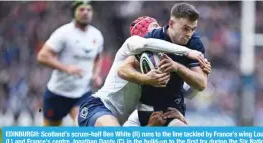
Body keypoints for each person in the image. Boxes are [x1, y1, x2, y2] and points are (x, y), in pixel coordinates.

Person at [78, 16, 207, 126]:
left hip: (118, 120)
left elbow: (186, 92)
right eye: (155, 26)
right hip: (97, 107)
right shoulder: (132, 43)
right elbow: (146, 44)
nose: (161, 29)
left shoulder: (157, 63)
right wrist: (187, 51)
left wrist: (201, 73)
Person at [118, 3, 208, 126]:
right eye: (185, 28)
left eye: (193, 29)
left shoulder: (195, 43)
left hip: (172, 109)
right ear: (171, 23)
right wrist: (147, 78)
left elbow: (201, 84)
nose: (189, 34)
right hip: (146, 109)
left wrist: (176, 67)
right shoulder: (153, 38)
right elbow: (123, 69)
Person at [37, 1, 104, 126]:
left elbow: (98, 57)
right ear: (74, 12)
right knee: (51, 134)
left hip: (82, 93)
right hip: (58, 92)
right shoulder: (63, 33)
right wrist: (66, 68)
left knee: (83, 126)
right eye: (82, 9)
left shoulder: (97, 35)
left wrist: (96, 74)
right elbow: (42, 56)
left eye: (88, 10)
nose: (86, 13)